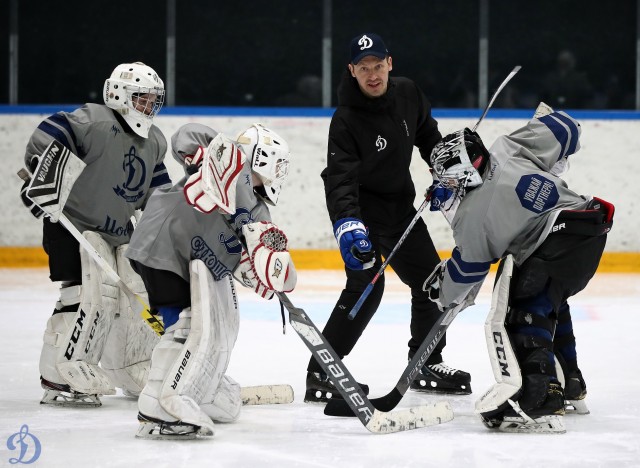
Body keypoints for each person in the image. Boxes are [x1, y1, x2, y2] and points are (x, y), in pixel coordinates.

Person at [423, 103, 614, 433]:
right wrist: (543, 130)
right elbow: (566, 128)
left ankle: (542, 395)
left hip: (557, 242)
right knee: (548, 306)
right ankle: (569, 381)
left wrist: (441, 290)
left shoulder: (472, 219)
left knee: (523, 311)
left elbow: (467, 271)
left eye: (447, 178)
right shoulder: (507, 147)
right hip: (588, 227)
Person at [304, 32, 471, 403]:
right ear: (352, 71)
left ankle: (425, 360)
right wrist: (348, 225)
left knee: (433, 283)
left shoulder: (408, 93)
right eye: (363, 68)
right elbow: (340, 179)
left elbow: (429, 138)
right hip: (362, 216)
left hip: (398, 209)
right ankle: (322, 373)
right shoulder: (345, 119)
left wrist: (446, 170)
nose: (372, 74)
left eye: (378, 65)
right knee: (367, 286)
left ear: (390, 64)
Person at [126, 122, 297, 439]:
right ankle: (160, 402)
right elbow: (187, 134)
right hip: (164, 245)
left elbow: (265, 256)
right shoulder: (229, 159)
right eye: (279, 163)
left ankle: (191, 385)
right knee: (186, 328)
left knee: (193, 327)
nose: (280, 172)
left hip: (188, 264)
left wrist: (268, 267)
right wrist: (200, 157)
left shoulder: (258, 211)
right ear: (262, 156)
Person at [19, 62, 171, 406]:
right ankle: (58, 372)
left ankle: (132, 366)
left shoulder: (155, 141)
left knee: (136, 295)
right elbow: (50, 132)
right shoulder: (94, 121)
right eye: (142, 98)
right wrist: (41, 180)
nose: (149, 106)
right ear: (118, 94)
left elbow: (157, 195)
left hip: (118, 234)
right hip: (71, 225)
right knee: (82, 296)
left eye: (153, 100)